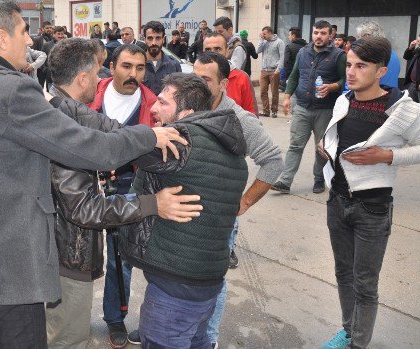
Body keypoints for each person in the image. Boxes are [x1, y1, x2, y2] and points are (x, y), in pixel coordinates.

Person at [0, 0, 186, 349]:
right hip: (7, 271)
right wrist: (149, 135)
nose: (29, 39)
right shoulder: (14, 90)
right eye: (24, 30)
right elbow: (89, 148)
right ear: (1, 38)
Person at [44, 38, 202, 349]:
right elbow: (84, 211)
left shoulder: (63, 108)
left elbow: (108, 129)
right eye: (98, 69)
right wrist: (152, 204)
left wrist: (145, 137)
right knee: (67, 340)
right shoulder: (62, 119)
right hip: (64, 256)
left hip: (62, 251)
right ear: (84, 78)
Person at [119, 73, 249, 349]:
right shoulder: (230, 150)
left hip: (175, 287)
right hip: (207, 281)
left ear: (187, 112)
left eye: (163, 103)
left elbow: (117, 147)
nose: (153, 109)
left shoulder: (182, 141)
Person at [317, 37, 420, 349]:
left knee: (365, 284)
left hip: (372, 209)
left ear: (380, 71)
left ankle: (358, 344)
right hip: (337, 201)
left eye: (361, 66)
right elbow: (335, 136)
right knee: (343, 275)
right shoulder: (343, 100)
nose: (351, 72)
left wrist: (388, 157)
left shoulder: (402, 108)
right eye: (349, 64)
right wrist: (327, 148)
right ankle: (349, 331)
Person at [193, 52, 284, 348]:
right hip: (182, 217)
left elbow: (273, 162)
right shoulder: (184, 110)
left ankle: (209, 340)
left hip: (219, 221)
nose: (198, 85)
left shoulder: (240, 121)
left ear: (223, 84)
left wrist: (243, 203)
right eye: (195, 77)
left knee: (211, 285)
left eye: (205, 79)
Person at [87, 43, 158, 347]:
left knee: (121, 258)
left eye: (139, 68)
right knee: (78, 256)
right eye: (127, 66)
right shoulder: (89, 92)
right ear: (112, 66)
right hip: (84, 182)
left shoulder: (153, 106)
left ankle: (115, 318)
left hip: (130, 186)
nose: (133, 74)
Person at [272, 20, 346, 194]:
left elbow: (345, 80)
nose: (318, 36)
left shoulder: (338, 55)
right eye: (316, 32)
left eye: (322, 33)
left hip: (325, 110)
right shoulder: (303, 52)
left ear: (330, 35)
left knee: (321, 148)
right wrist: (287, 97)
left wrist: (332, 86)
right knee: (295, 145)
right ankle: (285, 181)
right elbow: (295, 75)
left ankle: (319, 179)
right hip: (303, 108)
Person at [202, 33, 257, 115]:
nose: (212, 54)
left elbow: (252, 114)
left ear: (227, 51)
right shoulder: (194, 78)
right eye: (208, 50)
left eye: (217, 49)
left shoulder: (241, 78)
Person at [142, 20, 183, 96]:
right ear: (144, 40)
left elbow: (179, 94)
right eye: (150, 38)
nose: (154, 42)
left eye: (157, 38)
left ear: (163, 39)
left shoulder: (174, 65)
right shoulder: (137, 64)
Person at [355, 21, 399, 89]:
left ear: (367, 36)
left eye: (358, 37)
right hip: (391, 96)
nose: (357, 41)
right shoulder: (393, 54)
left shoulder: (371, 56)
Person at [257, 26, 285, 118]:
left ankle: (274, 111)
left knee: (274, 92)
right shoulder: (264, 42)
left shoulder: (279, 42)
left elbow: (282, 57)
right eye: (262, 34)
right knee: (262, 91)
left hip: (274, 71)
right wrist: (261, 40)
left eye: (264, 34)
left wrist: (278, 69)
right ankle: (266, 111)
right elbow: (257, 51)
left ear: (270, 33)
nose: (263, 35)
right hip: (264, 70)